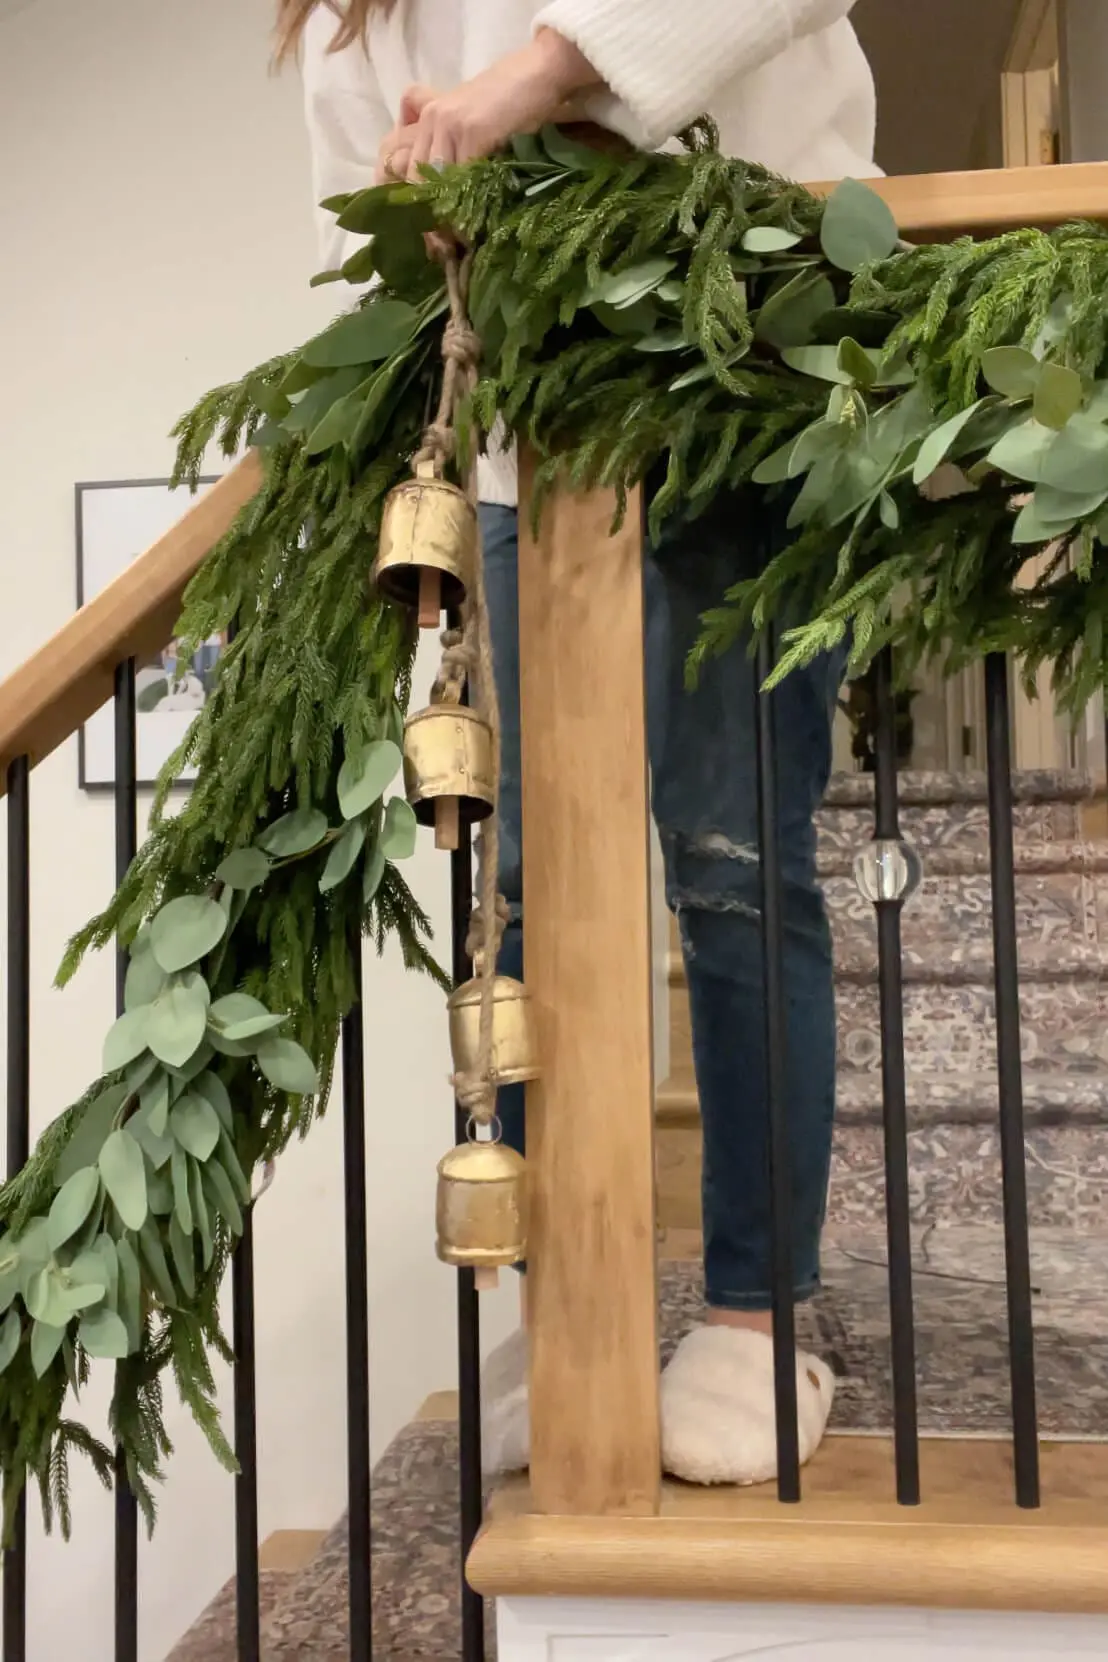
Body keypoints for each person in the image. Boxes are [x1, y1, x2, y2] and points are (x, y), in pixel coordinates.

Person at [282, 0, 878, 1486]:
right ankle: (571, 1313)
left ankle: (757, 1318)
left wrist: (539, 78)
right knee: (526, 894)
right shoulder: (348, 21)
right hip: (519, 448)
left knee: (736, 863)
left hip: (750, 368)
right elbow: (363, 220)